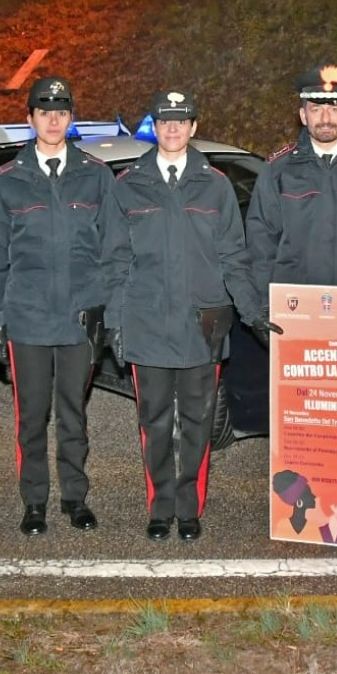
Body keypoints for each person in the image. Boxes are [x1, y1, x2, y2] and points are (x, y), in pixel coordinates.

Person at [106, 90, 267, 543]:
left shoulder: (215, 185)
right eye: (164, 121)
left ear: (194, 127)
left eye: (181, 121)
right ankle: (160, 507)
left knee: (198, 423)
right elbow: (115, 262)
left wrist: (252, 313)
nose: (173, 129)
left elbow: (235, 257)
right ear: (154, 128)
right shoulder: (128, 186)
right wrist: (115, 322)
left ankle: (189, 508)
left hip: (204, 325)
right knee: (154, 422)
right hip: (147, 323)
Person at [0, 76, 123, 537]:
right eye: (44, 112)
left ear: (71, 118)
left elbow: (114, 250)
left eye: (61, 112)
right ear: (30, 119)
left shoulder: (96, 176)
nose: (53, 120)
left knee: (74, 416)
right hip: (27, 320)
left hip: (80, 319)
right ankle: (34, 501)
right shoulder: (7, 181)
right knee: (31, 416)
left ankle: (75, 498)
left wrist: (107, 311)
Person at [245, 64, 337, 297]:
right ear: (303, 115)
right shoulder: (279, 169)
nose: (326, 118)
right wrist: (265, 303)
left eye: (334, 109)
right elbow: (261, 244)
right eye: (316, 109)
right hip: (296, 303)